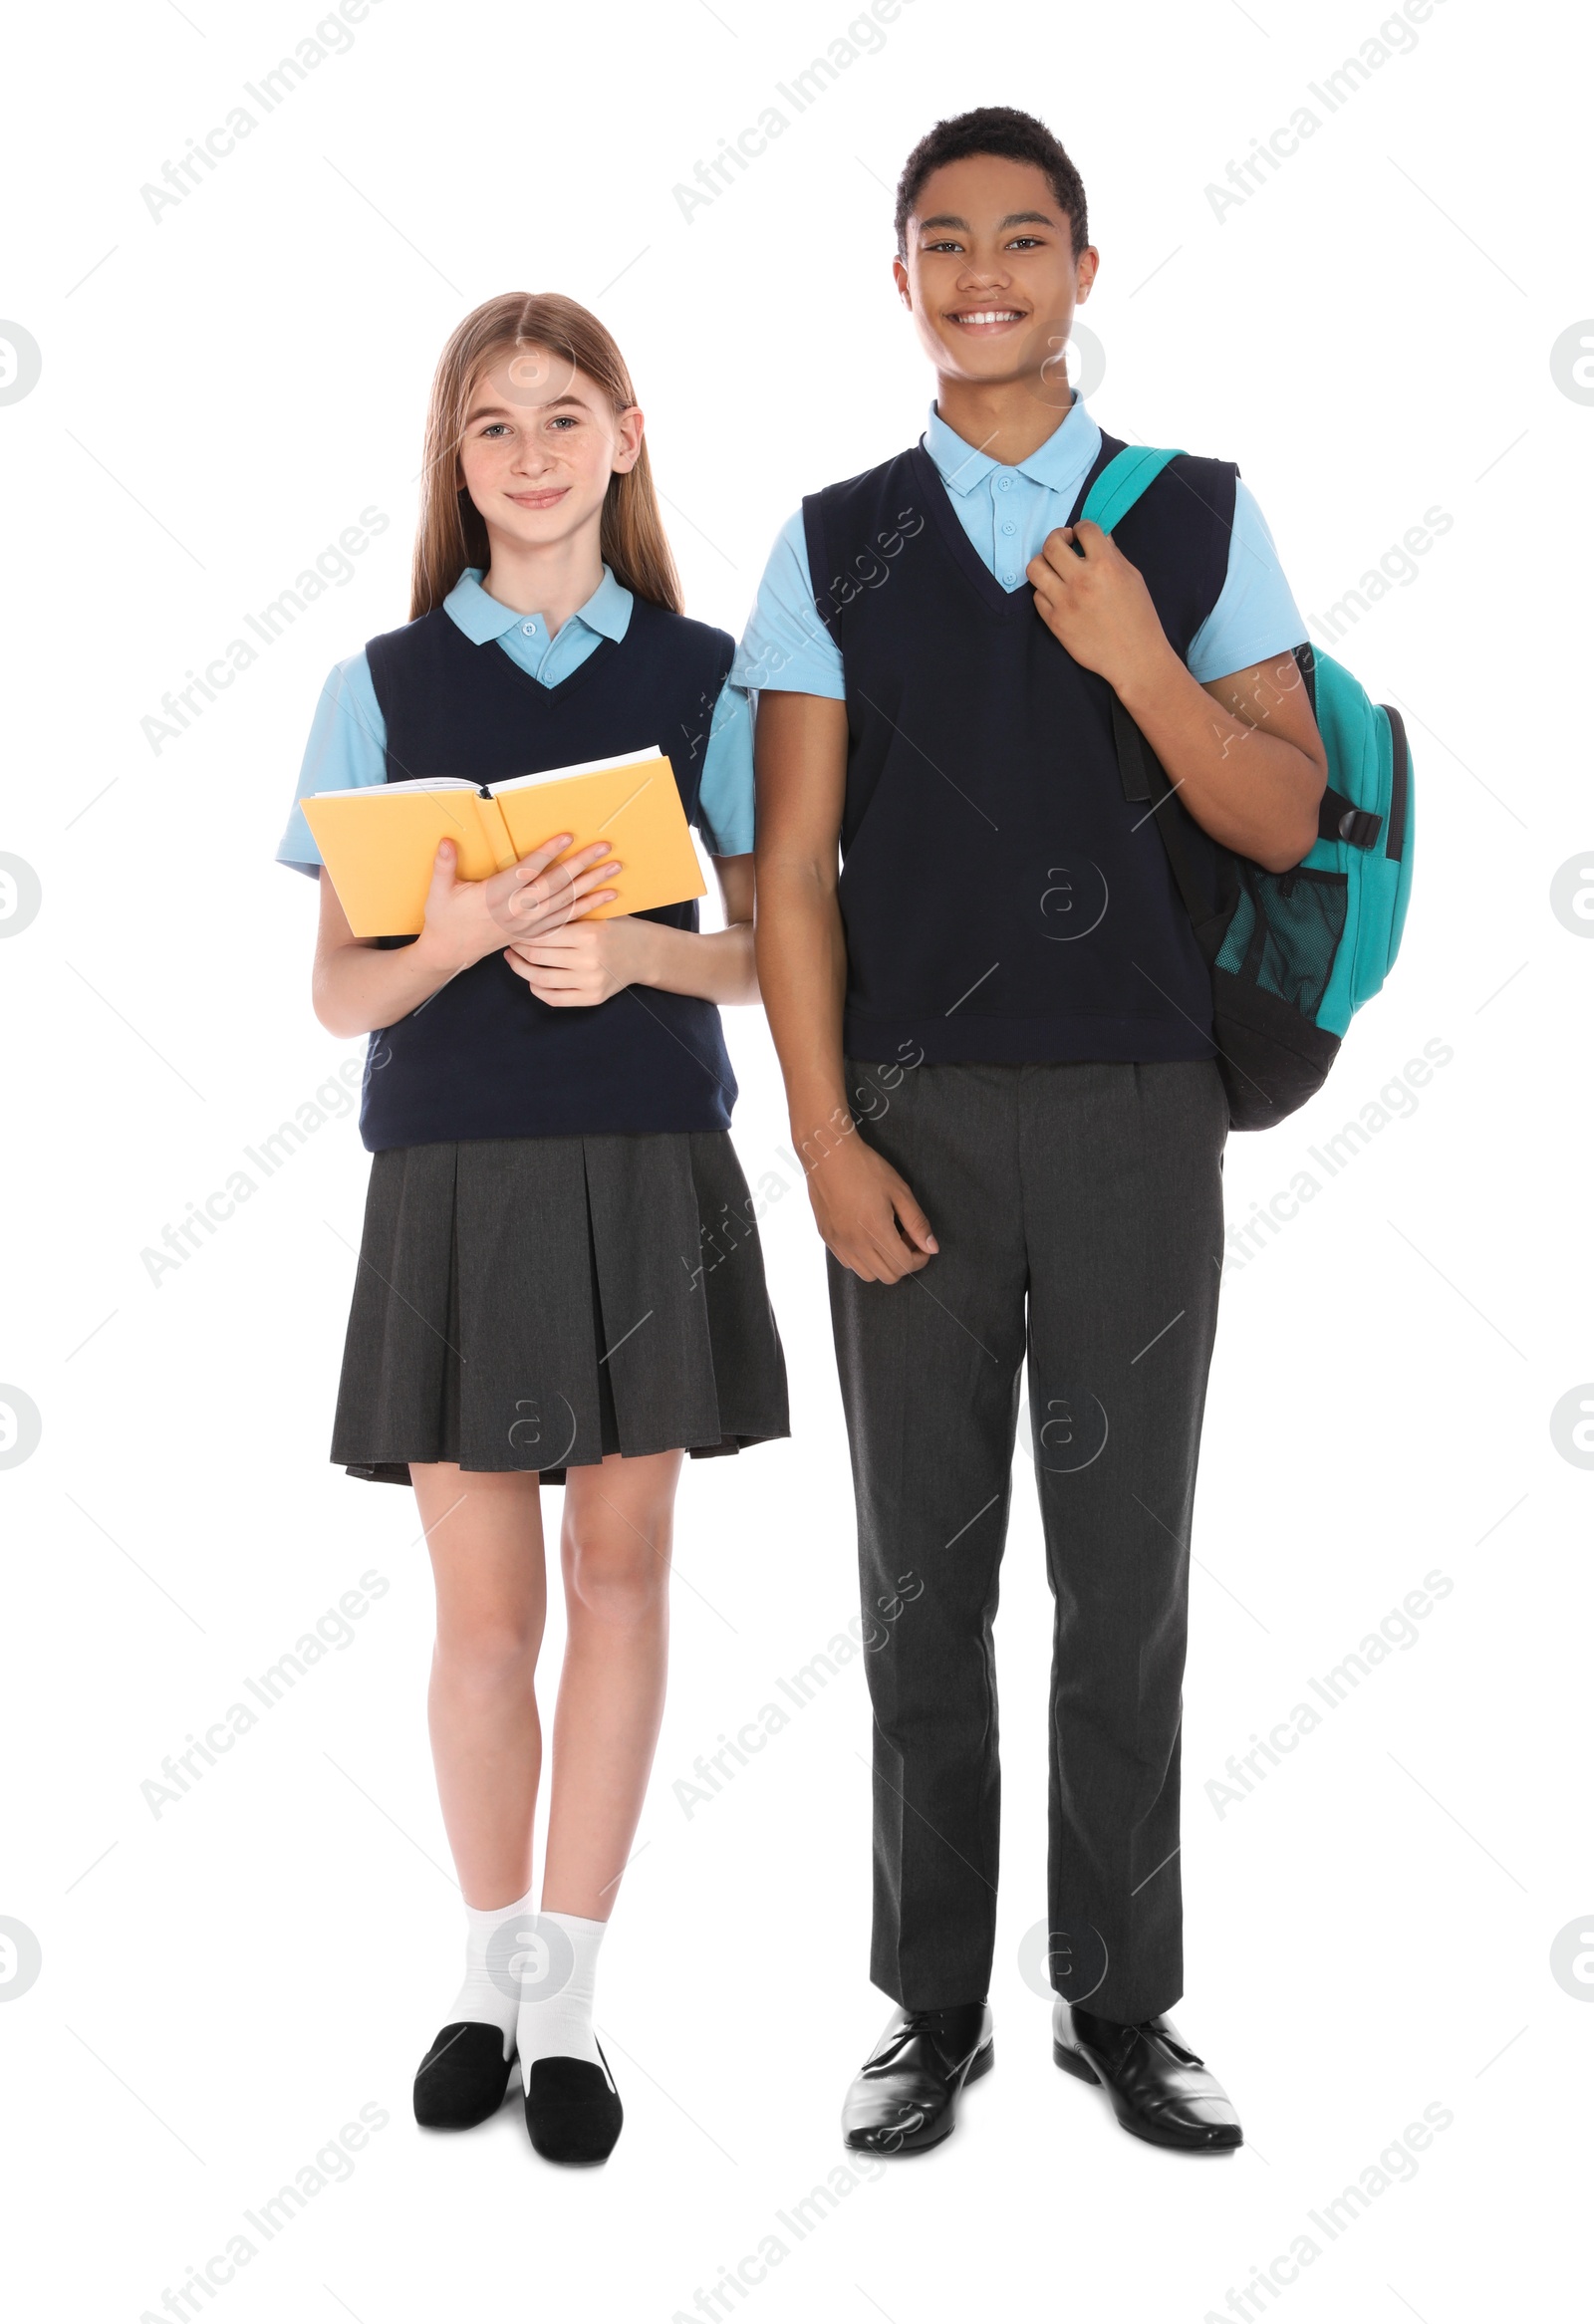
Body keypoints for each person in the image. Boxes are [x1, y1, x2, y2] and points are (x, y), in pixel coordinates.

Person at [742, 108, 1325, 2156]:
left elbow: (1276, 809)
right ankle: (927, 2007)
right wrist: (816, 1134)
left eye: (1022, 236)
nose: (980, 268)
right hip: (902, 1116)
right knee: (919, 1582)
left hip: (1134, 1113)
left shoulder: (1193, 520)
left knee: (1126, 1579)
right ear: (894, 276)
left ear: (1083, 270)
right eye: (940, 239)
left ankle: (1118, 2003)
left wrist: (1136, 661)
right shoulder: (829, 544)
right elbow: (787, 875)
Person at [277, 292, 788, 2165]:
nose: (532, 454)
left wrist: (638, 951)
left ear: (627, 436)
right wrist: (472, 937)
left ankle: (568, 1998)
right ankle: (483, 1980)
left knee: (624, 1581)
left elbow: (770, 951)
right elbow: (338, 994)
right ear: (457, 461)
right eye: (492, 426)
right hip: (455, 1176)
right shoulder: (385, 683)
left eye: (564, 415)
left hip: (649, 1164)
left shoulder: (712, 671)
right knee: (484, 1618)